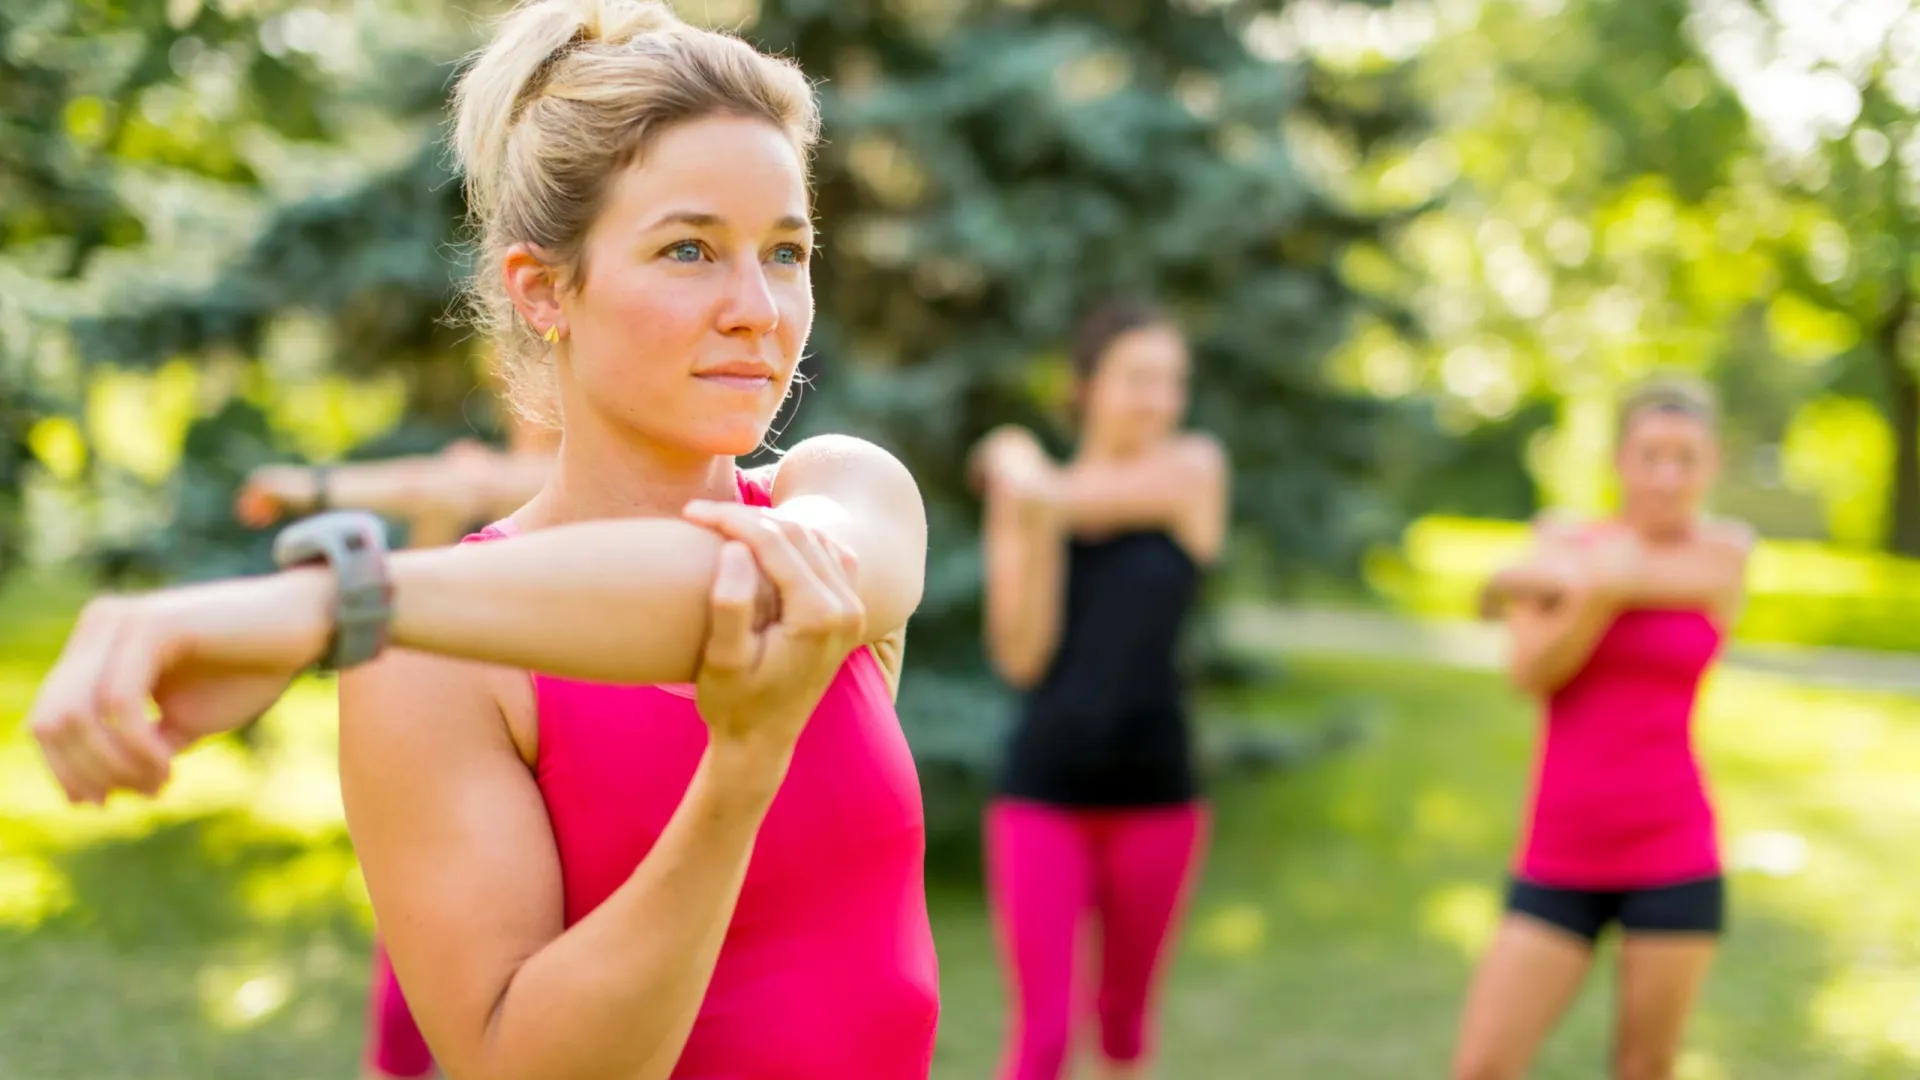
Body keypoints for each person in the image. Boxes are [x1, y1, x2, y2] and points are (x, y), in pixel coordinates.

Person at [26, 2, 942, 1078]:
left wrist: (319, 605)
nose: (759, 308)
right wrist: (737, 774)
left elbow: (739, 584)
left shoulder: (845, 495)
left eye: (786, 251)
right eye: (689, 248)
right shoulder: (432, 659)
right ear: (545, 290)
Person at [1452, 377, 1754, 1080]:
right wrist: (1595, 595)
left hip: (1674, 847)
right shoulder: (1564, 543)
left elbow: (1511, 585)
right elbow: (1529, 674)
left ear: (1713, 465)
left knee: (1644, 1069)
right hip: (1559, 848)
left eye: (1686, 457)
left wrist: (1546, 579)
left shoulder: (1723, 553)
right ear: (1619, 460)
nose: (1667, 476)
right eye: (1650, 455)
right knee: (1481, 1067)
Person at [968, 300, 1228, 1080]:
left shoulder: (1193, 470)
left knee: (1123, 1027)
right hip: (1043, 793)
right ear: (1084, 387)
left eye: (1172, 382)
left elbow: (1057, 495)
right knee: (1044, 1039)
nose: (1160, 400)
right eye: (1139, 379)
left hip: (1158, 794)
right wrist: (1030, 515)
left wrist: (1016, 465)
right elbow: (1022, 658)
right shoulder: (1031, 502)